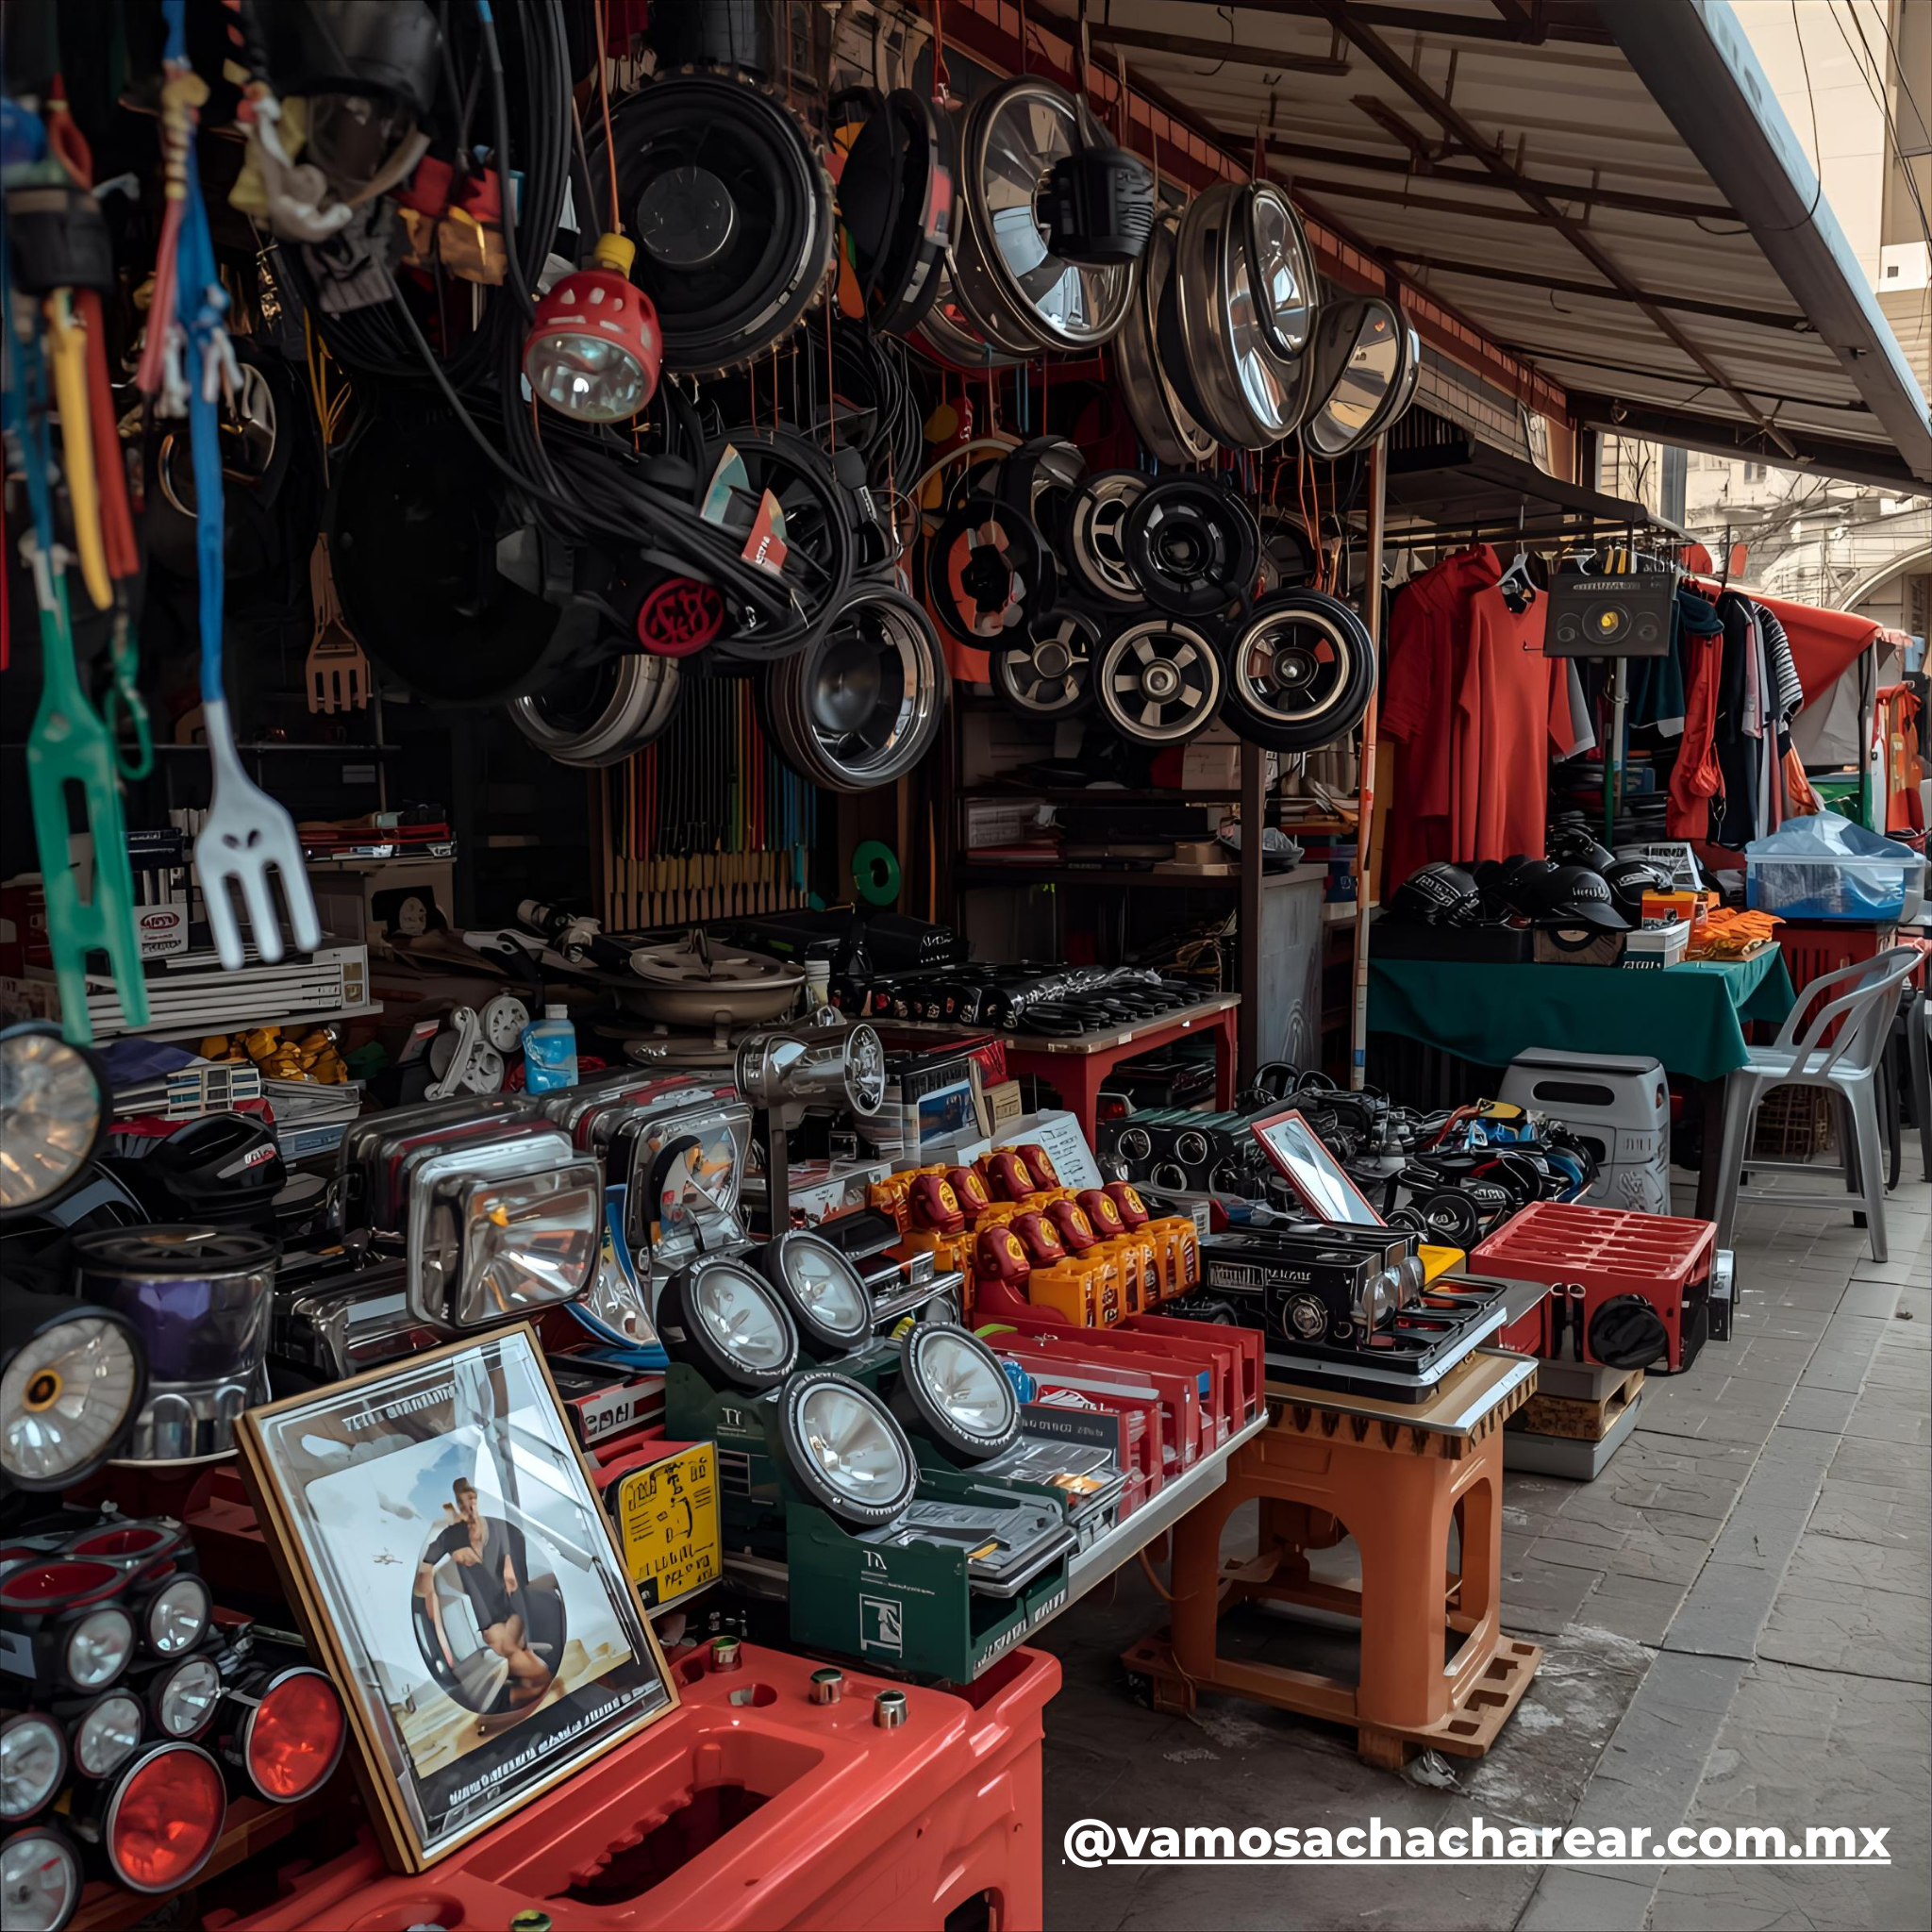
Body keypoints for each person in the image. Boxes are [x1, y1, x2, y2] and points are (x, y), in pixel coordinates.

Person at [416, 1477, 554, 1708]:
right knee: (526, 1662)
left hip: (510, 1607)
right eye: (462, 1503)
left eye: (471, 1500)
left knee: (528, 1658)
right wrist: (430, 1592)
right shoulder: (452, 1535)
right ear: (458, 1505)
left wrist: (508, 1564)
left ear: (477, 1499)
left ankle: (518, 1697)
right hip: (487, 1618)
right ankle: (519, 1698)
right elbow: (425, 1571)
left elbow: (510, 1553)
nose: (468, 1507)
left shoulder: (497, 1527)